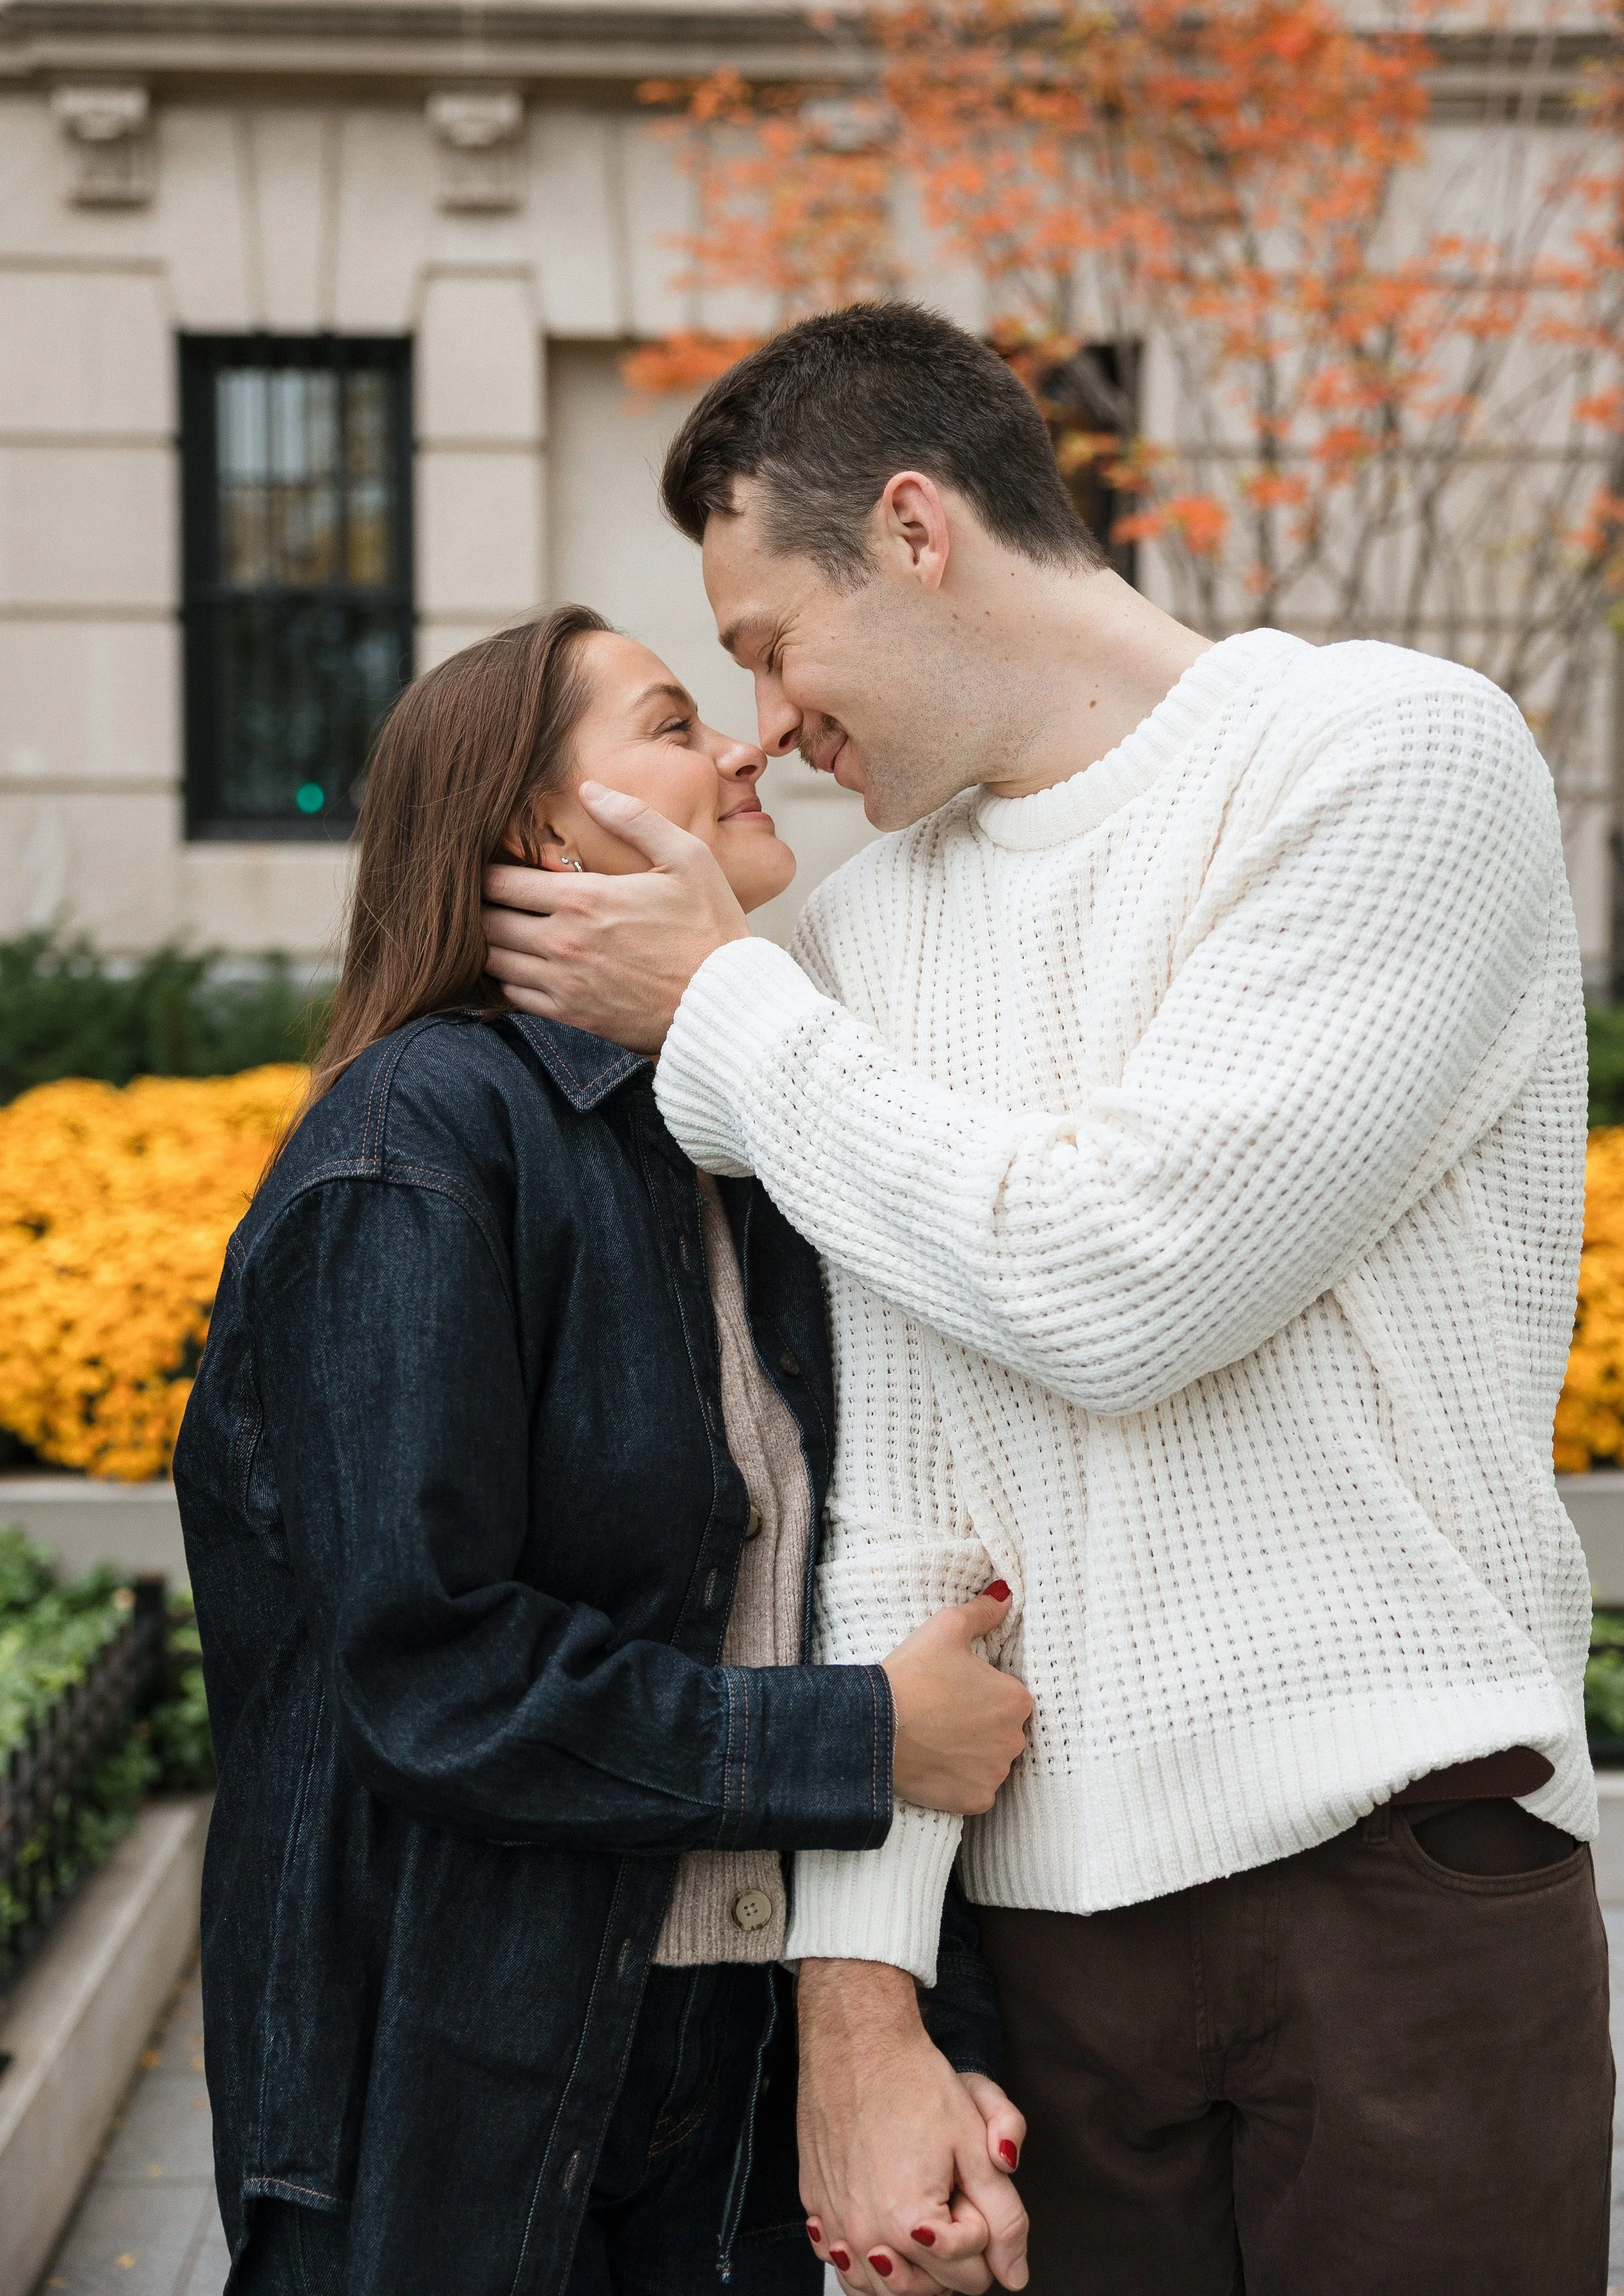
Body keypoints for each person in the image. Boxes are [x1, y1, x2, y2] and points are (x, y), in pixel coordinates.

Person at [481, 304, 1612, 2296]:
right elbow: (895, 1518)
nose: (759, 721)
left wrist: (722, 1004)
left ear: (914, 529)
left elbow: (1129, 1274)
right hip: (1047, 1952)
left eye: (764, 639)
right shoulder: (847, 941)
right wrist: (862, 2015)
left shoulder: (1383, 756)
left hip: (1401, 1880)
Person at [172, 603, 1035, 2296]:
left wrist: (920, 2029)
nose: (742, 745)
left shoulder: (731, 1132)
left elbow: (836, 1573)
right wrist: (862, 1737)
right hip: (453, 2090)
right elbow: (431, 1671)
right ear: (534, 829)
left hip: (729, 2067)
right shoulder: (415, 1146)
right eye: (669, 718)